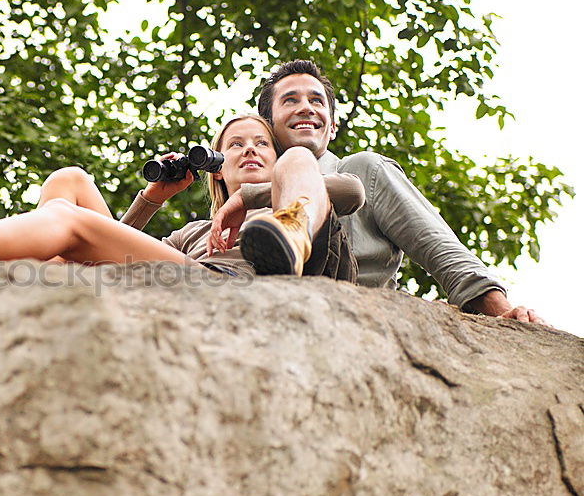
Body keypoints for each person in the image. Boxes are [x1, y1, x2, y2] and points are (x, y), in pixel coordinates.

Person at [0, 114, 363, 280]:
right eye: (236, 145)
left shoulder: (295, 186)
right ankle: (19, 274)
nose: (251, 149)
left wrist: (253, 200)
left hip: (249, 280)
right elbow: (112, 253)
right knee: (69, 181)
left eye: (261, 144)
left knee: (302, 159)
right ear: (217, 168)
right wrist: (152, 198)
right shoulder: (193, 235)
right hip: (183, 278)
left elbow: (349, 190)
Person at [224, 58, 544, 322]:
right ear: (267, 123)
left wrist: (499, 309)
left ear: (332, 126)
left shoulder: (363, 170)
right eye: (290, 100)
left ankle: (297, 233)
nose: (306, 108)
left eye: (316, 100)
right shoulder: (243, 196)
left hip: (352, 307)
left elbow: (434, 241)